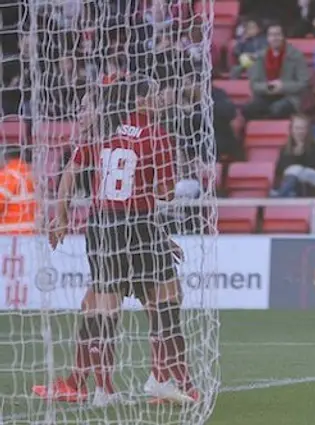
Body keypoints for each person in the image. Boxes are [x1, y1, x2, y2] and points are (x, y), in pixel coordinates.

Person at [35, 78, 199, 406]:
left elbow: (71, 170)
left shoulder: (103, 132)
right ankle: (175, 381)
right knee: (164, 301)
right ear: (139, 100)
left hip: (103, 226)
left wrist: (62, 215)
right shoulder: (156, 133)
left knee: (102, 307)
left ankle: (103, 389)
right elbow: (165, 193)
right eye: (151, 94)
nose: (157, 98)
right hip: (139, 225)